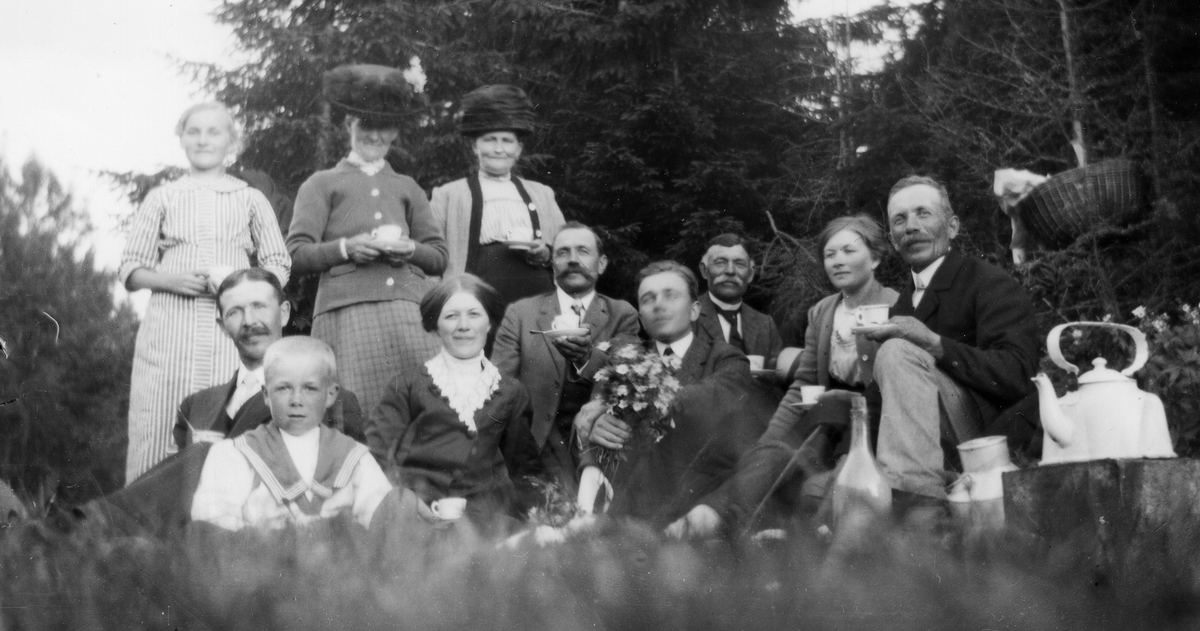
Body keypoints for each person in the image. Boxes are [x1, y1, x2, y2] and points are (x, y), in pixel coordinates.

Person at [667, 215, 900, 536]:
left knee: (798, 457)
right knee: (774, 453)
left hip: (875, 425)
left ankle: (733, 523)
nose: (837, 261)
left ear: (874, 258)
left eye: (849, 251)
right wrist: (768, 440)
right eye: (830, 254)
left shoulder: (896, 306)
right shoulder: (822, 312)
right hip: (826, 422)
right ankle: (710, 520)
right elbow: (802, 385)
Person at [120, 101, 291, 482]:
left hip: (229, 332)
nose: (203, 140)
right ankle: (148, 514)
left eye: (214, 132)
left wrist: (242, 285)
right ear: (181, 139)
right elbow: (130, 268)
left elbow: (279, 263)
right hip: (170, 333)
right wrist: (172, 280)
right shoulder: (163, 197)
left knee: (223, 419)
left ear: (232, 141)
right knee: (159, 424)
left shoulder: (249, 198)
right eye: (193, 132)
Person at [861, 175, 1038, 503]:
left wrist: (934, 343)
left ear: (952, 227)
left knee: (897, 352)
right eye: (900, 219)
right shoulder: (904, 302)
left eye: (923, 213)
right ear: (893, 241)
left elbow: (1018, 373)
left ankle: (919, 505)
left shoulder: (988, 281)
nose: (911, 226)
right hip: (929, 437)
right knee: (845, 406)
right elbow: (884, 392)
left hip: (984, 440)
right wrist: (848, 440)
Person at [288, 64, 447, 415]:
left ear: (395, 132)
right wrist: (346, 249)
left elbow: (438, 256)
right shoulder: (321, 184)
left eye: (384, 127)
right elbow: (295, 254)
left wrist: (410, 249)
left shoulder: (408, 186)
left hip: (409, 314)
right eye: (365, 125)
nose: (374, 136)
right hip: (346, 315)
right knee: (355, 413)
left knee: (424, 410)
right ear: (349, 125)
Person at [574, 261, 775, 528]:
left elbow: (712, 399)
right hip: (636, 493)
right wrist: (598, 425)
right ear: (641, 317)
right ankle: (587, 519)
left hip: (700, 490)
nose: (658, 305)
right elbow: (590, 421)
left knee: (774, 455)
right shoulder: (624, 359)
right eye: (648, 299)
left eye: (671, 295)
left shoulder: (725, 358)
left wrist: (634, 401)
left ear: (694, 310)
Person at [366, 275, 548, 525]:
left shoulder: (511, 392)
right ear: (436, 325)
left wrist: (549, 516)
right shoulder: (408, 385)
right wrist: (406, 502)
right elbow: (373, 457)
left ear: (489, 323)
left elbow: (526, 472)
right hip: (417, 517)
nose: (464, 325)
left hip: (482, 520)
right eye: (451, 316)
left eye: (474, 314)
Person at [491, 222, 641, 496]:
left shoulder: (622, 314)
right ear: (552, 264)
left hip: (595, 445)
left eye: (583, 251)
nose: (572, 259)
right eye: (562, 252)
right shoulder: (521, 313)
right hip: (534, 446)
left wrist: (587, 358)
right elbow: (499, 386)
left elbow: (625, 380)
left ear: (601, 264)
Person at [190, 337, 393, 531]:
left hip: (338, 555)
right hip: (260, 553)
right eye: (284, 388)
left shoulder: (354, 457)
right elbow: (213, 522)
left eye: (310, 388)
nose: (296, 400)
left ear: (330, 394)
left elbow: (381, 520)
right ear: (266, 394)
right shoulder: (237, 454)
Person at [173, 267, 366, 452]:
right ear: (222, 325)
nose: (249, 321)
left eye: (258, 307)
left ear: (284, 313)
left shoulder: (331, 402)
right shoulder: (195, 407)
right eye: (234, 312)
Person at [430, 85, 566, 307]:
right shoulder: (447, 195)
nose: (499, 149)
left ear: (518, 149)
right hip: (475, 292)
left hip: (535, 291)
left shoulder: (542, 194)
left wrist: (544, 253)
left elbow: (564, 247)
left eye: (507, 140)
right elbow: (433, 257)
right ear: (475, 146)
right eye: (490, 139)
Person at [694, 234, 783, 368]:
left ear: (751, 273)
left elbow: (777, 376)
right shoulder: (687, 317)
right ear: (705, 270)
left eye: (739, 264)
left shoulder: (765, 325)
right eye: (720, 262)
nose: (730, 271)